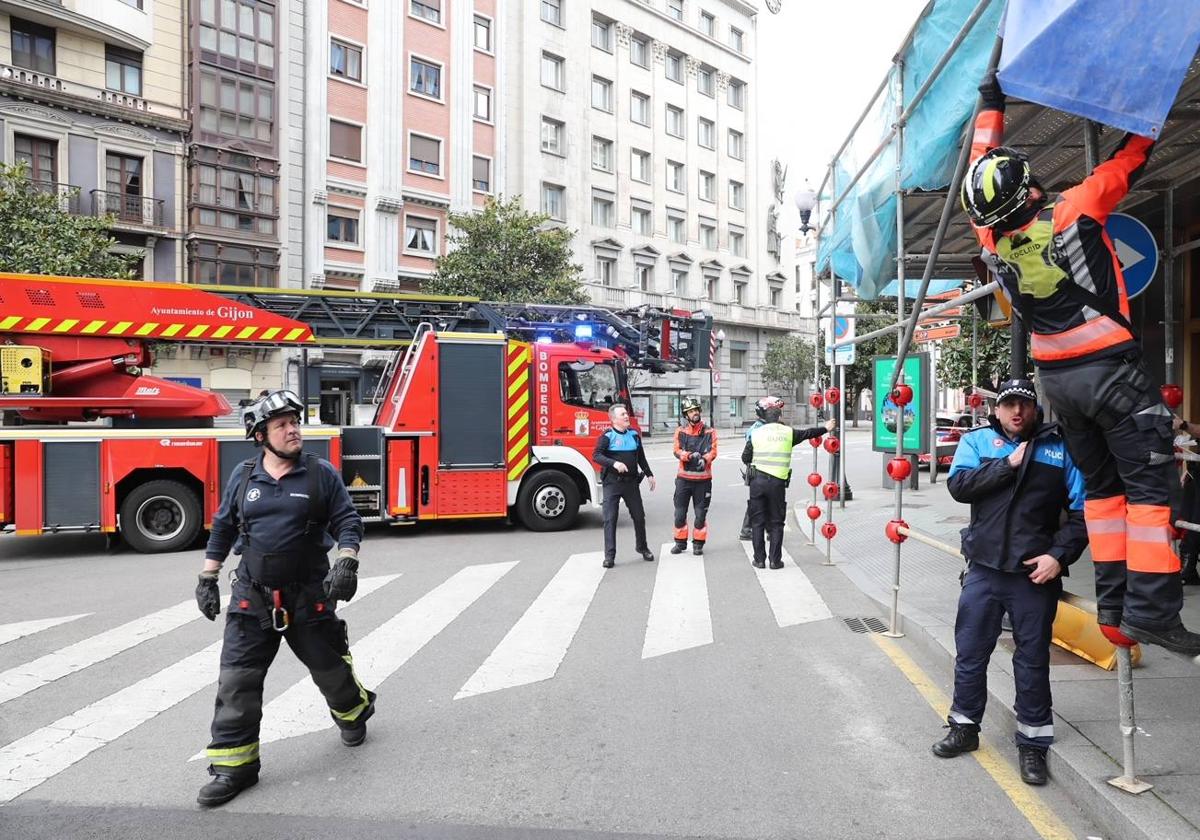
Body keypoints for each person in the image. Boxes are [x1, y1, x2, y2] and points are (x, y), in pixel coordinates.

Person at [962, 71, 1200, 655]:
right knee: (1149, 490)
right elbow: (1133, 155)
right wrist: (1155, 100)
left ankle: (1115, 605)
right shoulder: (1075, 210)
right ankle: (1153, 612)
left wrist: (989, 105)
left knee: (1101, 491)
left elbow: (981, 164)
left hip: (1057, 385)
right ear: (1033, 188)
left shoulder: (990, 239)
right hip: (1112, 375)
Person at [194, 389, 373, 807]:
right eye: (282, 425)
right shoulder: (243, 477)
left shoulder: (319, 474)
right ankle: (234, 768)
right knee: (237, 680)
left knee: (330, 671)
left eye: (295, 422)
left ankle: (353, 712)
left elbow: (349, 522)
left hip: (309, 596)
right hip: (251, 598)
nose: (293, 430)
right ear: (261, 435)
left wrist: (346, 562)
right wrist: (207, 577)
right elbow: (222, 528)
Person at [930, 379, 1087, 786]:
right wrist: (1007, 465)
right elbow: (959, 487)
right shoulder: (978, 442)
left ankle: (1033, 744)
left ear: (1036, 409)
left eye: (1024, 405)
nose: (1017, 412)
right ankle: (964, 728)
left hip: (1032, 576)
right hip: (983, 570)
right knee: (970, 654)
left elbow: (1083, 512)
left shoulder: (1059, 447)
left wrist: (1059, 556)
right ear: (996, 410)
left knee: (1032, 661)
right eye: (1009, 405)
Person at [740, 396, 835, 569]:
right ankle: (775, 561)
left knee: (757, 522)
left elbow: (745, 457)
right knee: (776, 523)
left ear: (764, 417)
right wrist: (826, 428)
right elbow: (808, 433)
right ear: (779, 417)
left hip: (757, 483)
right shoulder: (788, 433)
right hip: (777, 484)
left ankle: (759, 560)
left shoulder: (755, 433)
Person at [593, 403, 657, 568]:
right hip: (612, 483)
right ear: (614, 419)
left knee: (639, 516)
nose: (626, 416)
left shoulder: (634, 435)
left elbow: (641, 458)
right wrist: (614, 463)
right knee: (610, 519)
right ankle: (609, 556)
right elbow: (597, 456)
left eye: (626, 413)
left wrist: (649, 474)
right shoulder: (607, 436)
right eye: (622, 414)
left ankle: (642, 547)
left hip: (631, 484)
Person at [671, 397, 718, 555]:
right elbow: (676, 451)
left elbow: (713, 451)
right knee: (679, 514)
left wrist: (705, 459)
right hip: (683, 480)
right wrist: (689, 456)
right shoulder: (680, 431)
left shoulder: (710, 431)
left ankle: (698, 543)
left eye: (696, 410)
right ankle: (680, 542)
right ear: (686, 415)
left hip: (703, 481)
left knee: (700, 515)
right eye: (691, 411)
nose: (695, 413)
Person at [738, 413, 767, 542]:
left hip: (754, 469)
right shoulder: (761, 429)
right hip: (759, 469)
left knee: (759, 500)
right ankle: (747, 530)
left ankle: (747, 529)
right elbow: (747, 454)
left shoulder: (756, 426)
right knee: (760, 501)